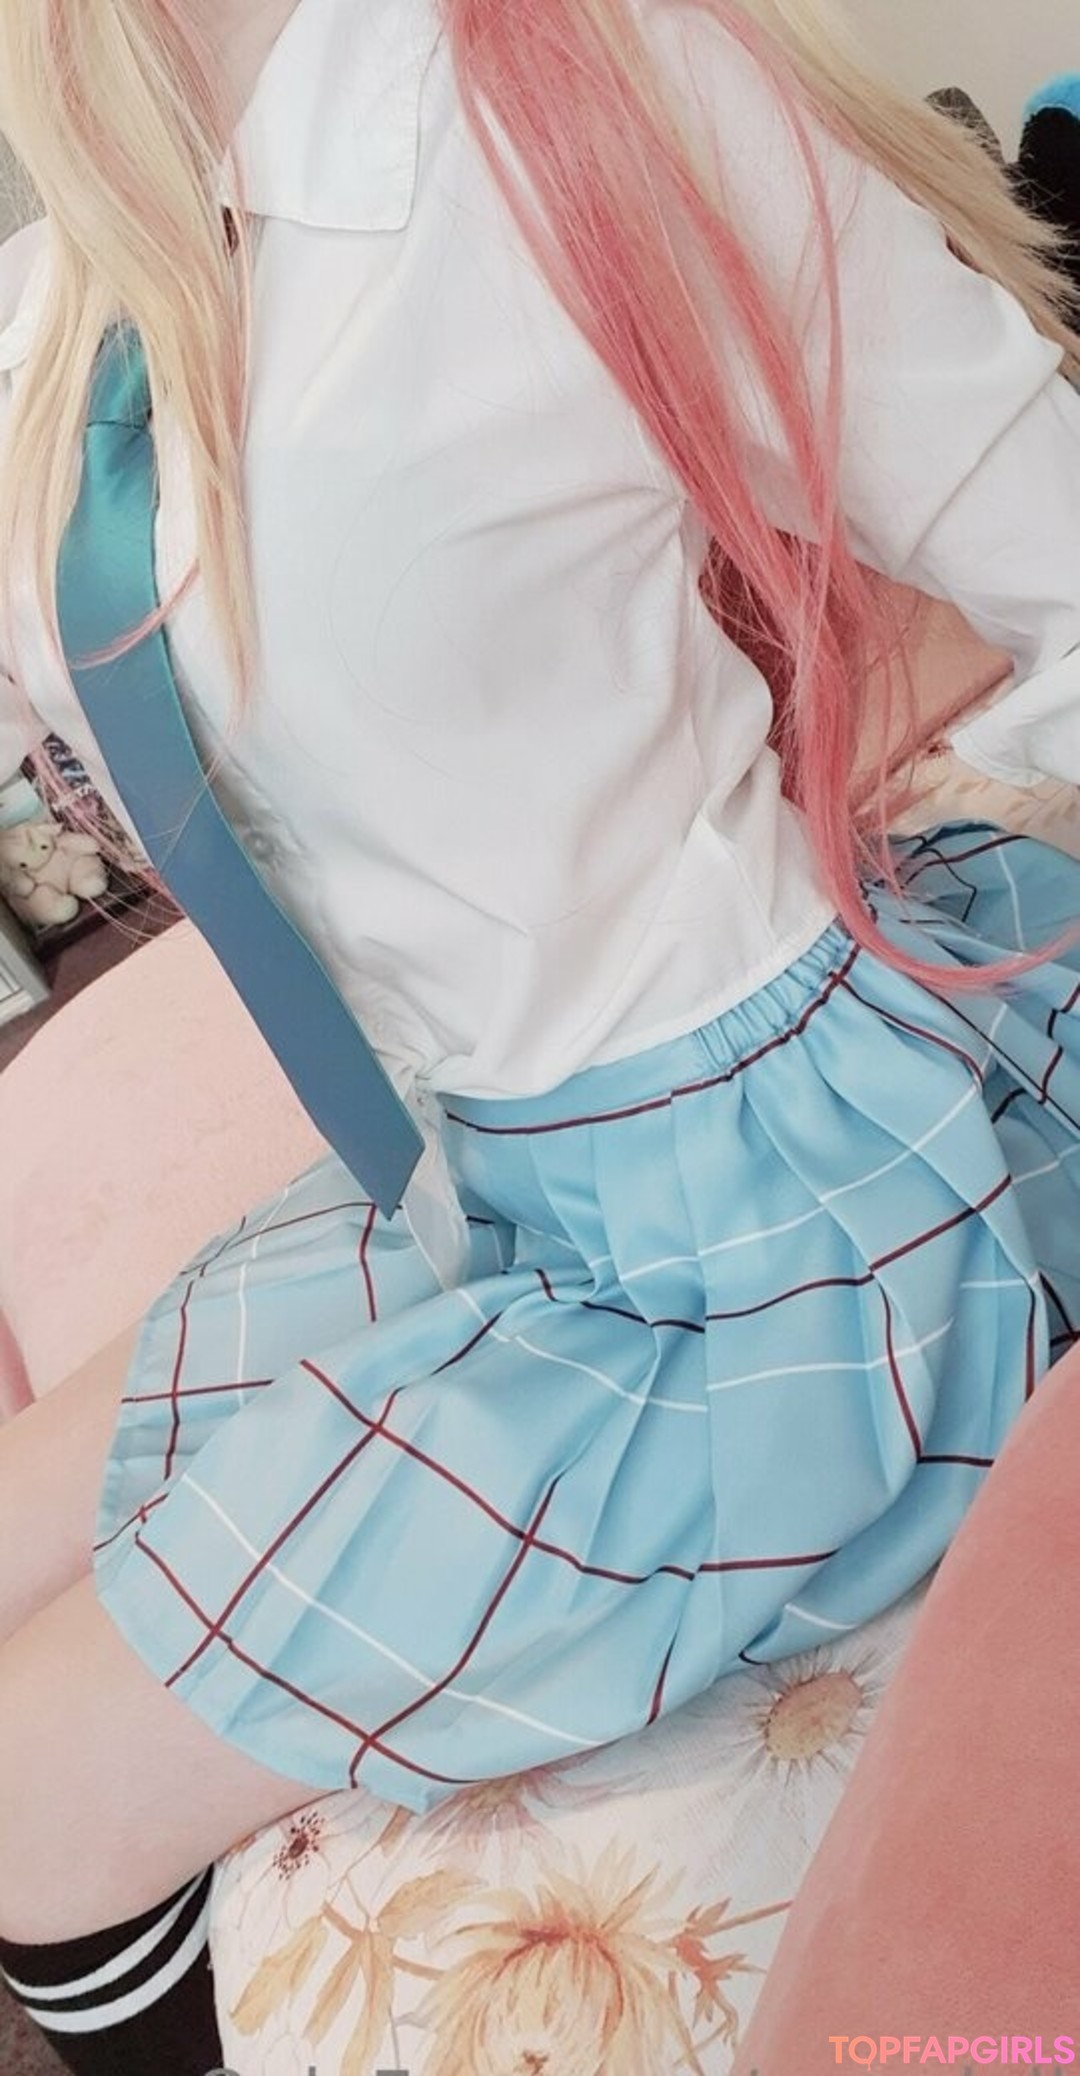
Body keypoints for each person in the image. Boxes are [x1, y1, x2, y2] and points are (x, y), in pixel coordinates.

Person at [1, 0, 1079, 2068]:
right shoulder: (89, 253)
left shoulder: (574, 94)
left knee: (26, 1814)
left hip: (759, 1221)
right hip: (466, 1179)